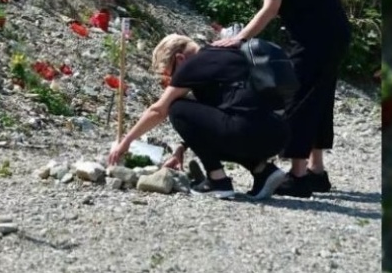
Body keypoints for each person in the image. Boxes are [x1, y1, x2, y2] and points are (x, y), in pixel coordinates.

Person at [214, 0, 351, 198]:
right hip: (333, 33)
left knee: (299, 99)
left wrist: (240, 38)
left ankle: (298, 176)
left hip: (315, 36)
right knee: (319, 97)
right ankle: (317, 171)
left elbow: (270, 8)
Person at [106, 34, 289, 200]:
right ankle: (263, 171)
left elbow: (158, 110)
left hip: (245, 132)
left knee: (176, 108)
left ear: (180, 59)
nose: (173, 80)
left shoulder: (192, 65)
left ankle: (218, 181)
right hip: (277, 134)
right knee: (233, 122)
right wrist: (181, 147)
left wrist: (126, 141)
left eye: (171, 74)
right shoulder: (224, 54)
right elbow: (210, 120)